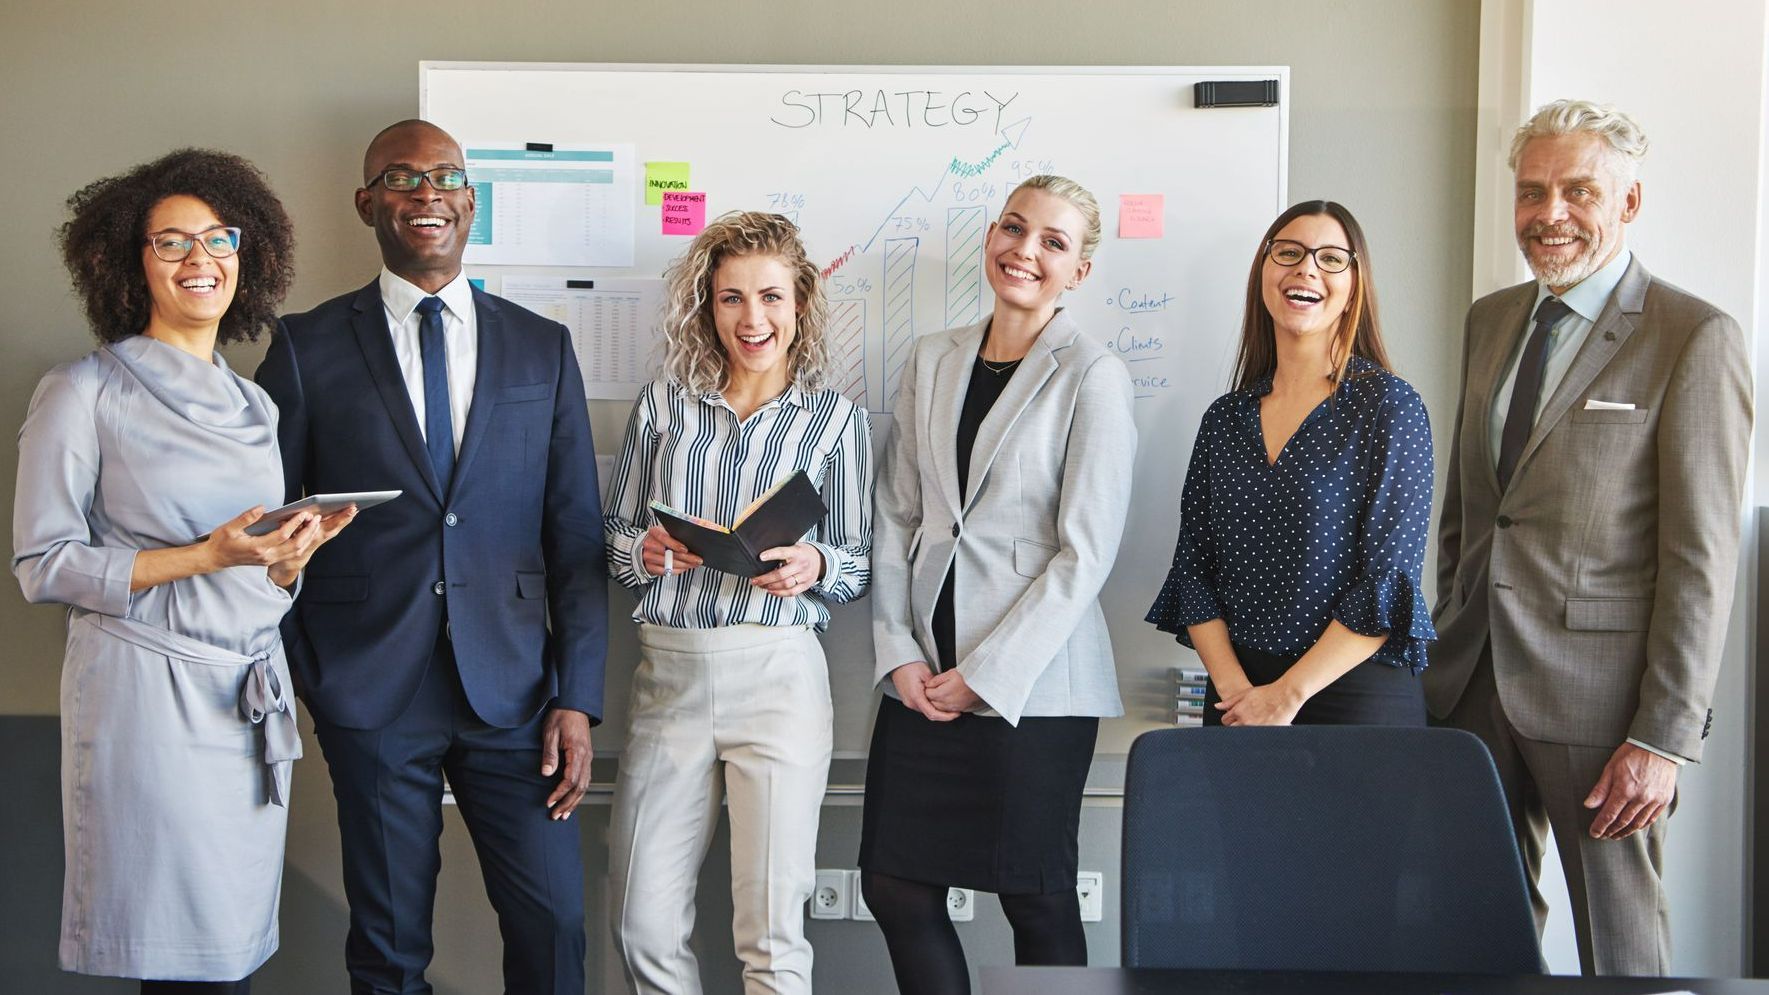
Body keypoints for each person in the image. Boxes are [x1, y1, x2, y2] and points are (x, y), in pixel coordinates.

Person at [255, 119, 607, 994]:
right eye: (401, 178)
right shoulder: (306, 346)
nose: (426, 194)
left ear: (470, 200)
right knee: (388, 941)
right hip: (373, 686)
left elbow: (574, 536)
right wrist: (315, 672)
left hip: (517, 693)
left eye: (445, 177)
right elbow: (266, 528)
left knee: (556, 923)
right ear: (367, 201)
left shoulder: (540, 346)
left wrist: (579, 699)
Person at [13, 149, 352, 993]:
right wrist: (206, 555)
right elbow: (41, 563)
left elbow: (253, 567)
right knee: (172, 956)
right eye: (170, 243)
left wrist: (287, 562)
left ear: (250, 252)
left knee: (229, 958)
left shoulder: (257, 403)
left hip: (244, 703)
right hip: (145, 700)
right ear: (130, 261)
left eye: (218, 237)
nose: (201, 259)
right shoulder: (82, 389)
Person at [1428, 99, 1750, 976]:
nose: (1549, 215)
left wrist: (1662, 736)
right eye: (1531, 193)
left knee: (1620, 940)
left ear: (1630, 202)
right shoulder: (1489, 319)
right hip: (1468, 682)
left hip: (1602, 706)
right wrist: (1449, 620)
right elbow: (1471, 505)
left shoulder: (1695, 336)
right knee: (1470, 920)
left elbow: (1701, 558)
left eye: (1578, 191)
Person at [862, 175, 1135, 993]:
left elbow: (1084, 553)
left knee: (1035, 897)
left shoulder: (1093, 374)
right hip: (919, 679)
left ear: (1078, 270)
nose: (1024, 250)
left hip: (1032, 688)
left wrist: (985, 676)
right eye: (1013, 229)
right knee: (895, 884)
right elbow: (896, 516)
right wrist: (896, 650)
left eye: (1052, 241)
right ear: (990, 236)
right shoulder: (932, 356)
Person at [601, 210, 873, 995]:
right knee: (640, 923)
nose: (751, 319)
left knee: (772, 932)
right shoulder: (662, 406)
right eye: (730, 299)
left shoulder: (835, 422)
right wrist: (643, 552)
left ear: (800, 306)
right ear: (705, 306)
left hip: (779, 677)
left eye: (770, 298)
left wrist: (814, 562)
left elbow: (854, 563)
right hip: (670, 677)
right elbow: (616, 534)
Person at [1145, 201, 1436, 726]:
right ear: (1264, 272)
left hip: (1353, 699)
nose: (1306, 269)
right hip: (1237, 700)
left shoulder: (1389, 406)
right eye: (1289, 253)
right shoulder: (1225, 419)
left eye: (1330, 259)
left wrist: (1286, 695)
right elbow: (1193, 572)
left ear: (1354, 288)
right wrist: (1239, 693)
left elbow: (1388, 582)